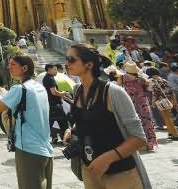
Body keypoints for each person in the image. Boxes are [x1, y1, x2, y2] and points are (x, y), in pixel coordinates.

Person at [64, 44, 151, 188]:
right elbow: (88, 118)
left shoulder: (113, 92)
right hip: (90, 169)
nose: (66, 64)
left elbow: (139, 138)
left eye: (71, 59)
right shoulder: (77, 89)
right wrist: (72, 130)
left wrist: (107, 158)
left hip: (120, 173)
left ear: (89, 64)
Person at [0, 55, 53, 189]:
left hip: (28, 149)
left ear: (24, 68)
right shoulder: (38, 87)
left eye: (12, 64)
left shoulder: (19, 89)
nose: (9, 67)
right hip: (45, 147)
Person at [119, 61, 157, 151]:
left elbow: (118, 87)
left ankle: (140, 144)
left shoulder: (122, 77)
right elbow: (149, 88)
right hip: (143, 102)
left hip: (130, 102)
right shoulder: (141, 78)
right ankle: (150, 143)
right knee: (147, 122)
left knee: (136, 123)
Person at [145, 68, 178, 141]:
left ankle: (175, 135)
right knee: (169, 117)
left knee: (167, 119)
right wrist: (175, 102)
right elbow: (172, 91)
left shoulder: (153, 82)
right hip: (169, 100)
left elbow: (155, 94)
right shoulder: (163, 80)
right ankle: (171, 133)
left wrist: (153, 104)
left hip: (161, 102)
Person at [42, 64, 70, 143]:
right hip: (55, 106)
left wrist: (63, 96)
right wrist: (62, 93)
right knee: (64, 125)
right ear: (49, 69)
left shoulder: (47, 78)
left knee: (48, 124)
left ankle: (42, 140)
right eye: (54, 69)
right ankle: (68, 141)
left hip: (51, 105)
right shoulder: (50, 79)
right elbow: (54, 92)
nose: (56, 71)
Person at [168, 63, 178, 128]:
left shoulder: (170, 75)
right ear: (177, 70)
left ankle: (177, 120)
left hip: (174, 92)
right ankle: (177, 121)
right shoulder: (176, 76)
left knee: (177, 107)